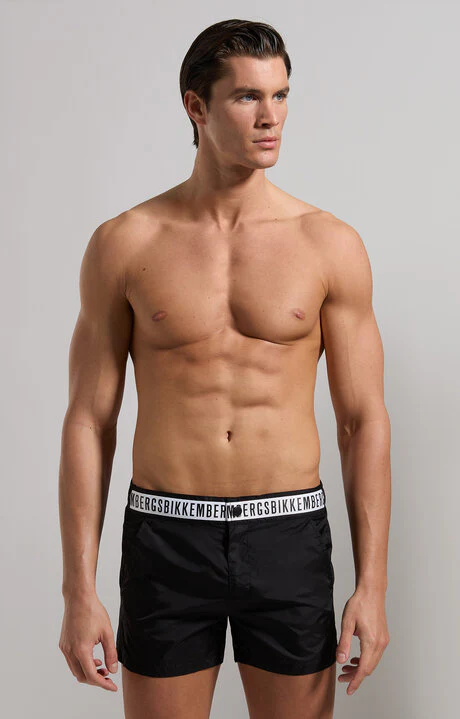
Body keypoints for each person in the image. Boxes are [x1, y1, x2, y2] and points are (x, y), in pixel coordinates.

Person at [58, 18, 391, 719]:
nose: (271, 116)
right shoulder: (126, 244)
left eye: (281, 95)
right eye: (247, 97)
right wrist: (78, 590)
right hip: (166, 536)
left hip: (288, 533)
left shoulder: (328, 244)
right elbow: (89, 421)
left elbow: (362, 422)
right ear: (196, 106)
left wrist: (373, 585)